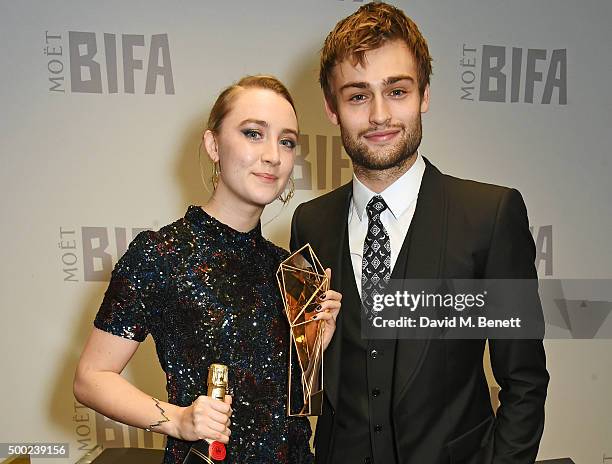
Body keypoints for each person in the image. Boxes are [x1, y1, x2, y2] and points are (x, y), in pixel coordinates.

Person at [290, 3, 549, 464]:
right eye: (357, 96)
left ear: (424, 94)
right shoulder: (309, 223)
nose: (379, 115)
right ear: (331, 109)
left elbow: (524, 382)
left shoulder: (489, 215)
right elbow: (308, 378)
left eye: (397, 91)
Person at [74, 75, 341, 463]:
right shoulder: (161, 254)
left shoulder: (290, 267)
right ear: (213, 144)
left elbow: (288, 409)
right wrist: (178, 421)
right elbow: (91, 379)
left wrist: (315, 345)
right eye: (253, 134)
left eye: (286, 141)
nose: (273, 155)